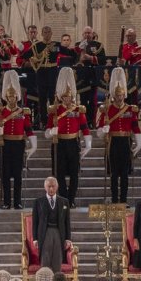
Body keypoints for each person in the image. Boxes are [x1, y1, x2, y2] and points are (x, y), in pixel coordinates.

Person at [46, 68, 89, 203]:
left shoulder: (77, 110)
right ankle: (64, 198)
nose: (67, 99)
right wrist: (51, 132)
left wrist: (88, 144)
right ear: (61, 96)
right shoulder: (55, 110)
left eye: (69, 96)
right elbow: (47, 130)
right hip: (59, 144)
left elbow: (85, 128)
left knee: (74, 174)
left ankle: (72, 199)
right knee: (59, 173)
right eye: (65, 97)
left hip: (73, 143)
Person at [100, 68, 141, 203]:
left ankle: (123, 200)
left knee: (124, 174)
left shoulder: (130, 109)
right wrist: (104, 129)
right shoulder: (107, 109)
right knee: (113, 174)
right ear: (114, 95)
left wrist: (139, 143)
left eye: (121, 95)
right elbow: (100, 129)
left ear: (124, 95)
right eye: (117, 95)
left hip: (125, 141)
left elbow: (135, 127)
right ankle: (114, 200)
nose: (119, 97)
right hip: (113, 142)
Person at [0, 71, 33, 209]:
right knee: (4, 175)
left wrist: (32, 145)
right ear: (6, 97)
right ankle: (6, 202)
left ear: (17, 97)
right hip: (4, 144)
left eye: (13, 96)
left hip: (18, 144)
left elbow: (28, 129)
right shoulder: (0, 112)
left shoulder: (22, 112)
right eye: (9, 96)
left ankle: (17, 201)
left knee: (17, 175)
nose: (11, 98)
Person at [28, 176, 73, 276]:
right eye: (49, 186)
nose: (51, 189)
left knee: (57, 260)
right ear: (45, 187)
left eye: (53, 186)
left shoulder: (64, 202)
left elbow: (67, 222)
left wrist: (68, 239)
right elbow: (35, 221)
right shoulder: (38, 202)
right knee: (45, 259)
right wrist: (35, 238)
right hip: (45, 233)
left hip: (58, 232)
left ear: (57, 187)